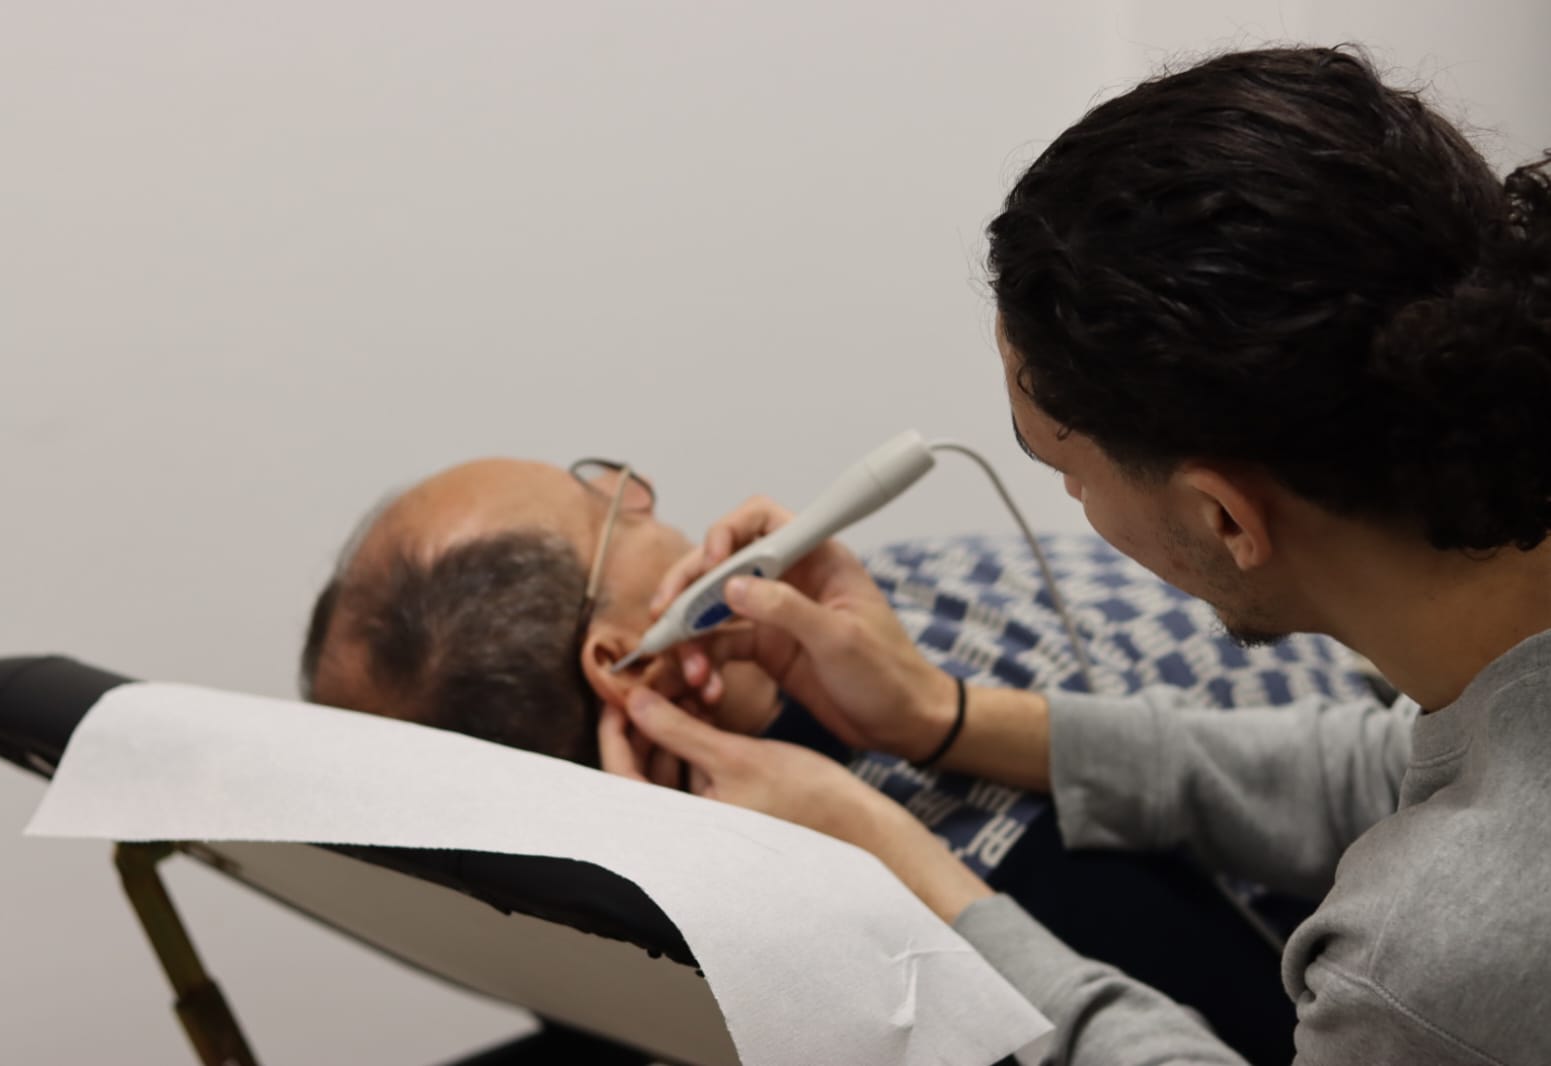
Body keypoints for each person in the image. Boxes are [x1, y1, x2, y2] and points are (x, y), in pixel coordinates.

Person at [603, 46, 1551, 1064]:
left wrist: (890, 864)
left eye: (1057, 459)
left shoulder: (1417, 964)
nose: (1067, 493)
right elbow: (1378, 766)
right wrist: (936, 714)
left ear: (1224, 516)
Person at [299, 453, 1375, 1062]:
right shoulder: (1065, 894)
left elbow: (1368, 764)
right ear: (621, 659)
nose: (640, 491)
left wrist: (934, 714)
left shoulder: (850, 616)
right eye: (606, 505)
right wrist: (878, 844)